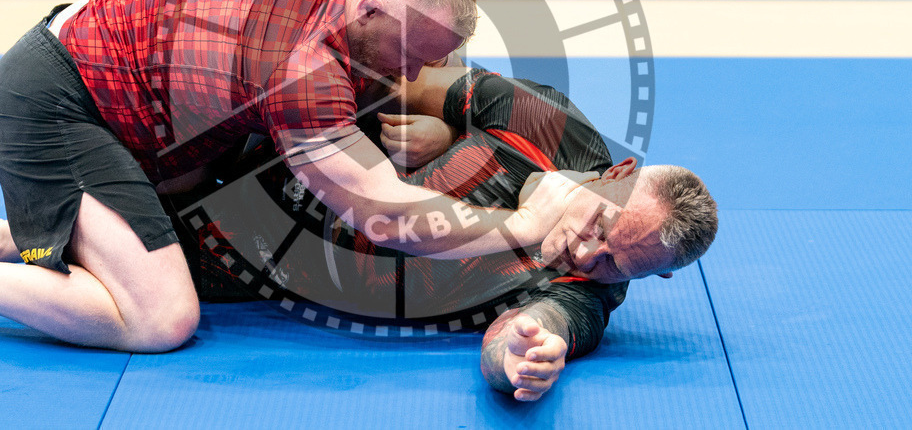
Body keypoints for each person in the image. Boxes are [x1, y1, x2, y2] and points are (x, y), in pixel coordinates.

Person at [0, 0, 584, 352]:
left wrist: (445, 126)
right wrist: (518, 228)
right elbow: (390, 218)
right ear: (369, 11)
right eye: (408, 56)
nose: (408, 76)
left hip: (124, 106)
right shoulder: (303, 67)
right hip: (52, 106)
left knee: (217, 205)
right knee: (162, 319)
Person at [191, 66, 718, 402]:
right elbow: (400, 81)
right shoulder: (548, 123)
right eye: (600, 224)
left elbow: (527, 331)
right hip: (290, 141)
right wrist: (435, 124)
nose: (584, 252)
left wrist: (519, 360)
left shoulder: (583, 299)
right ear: (618, 173)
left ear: (658, 274)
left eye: (614, 264)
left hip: (264, 255)